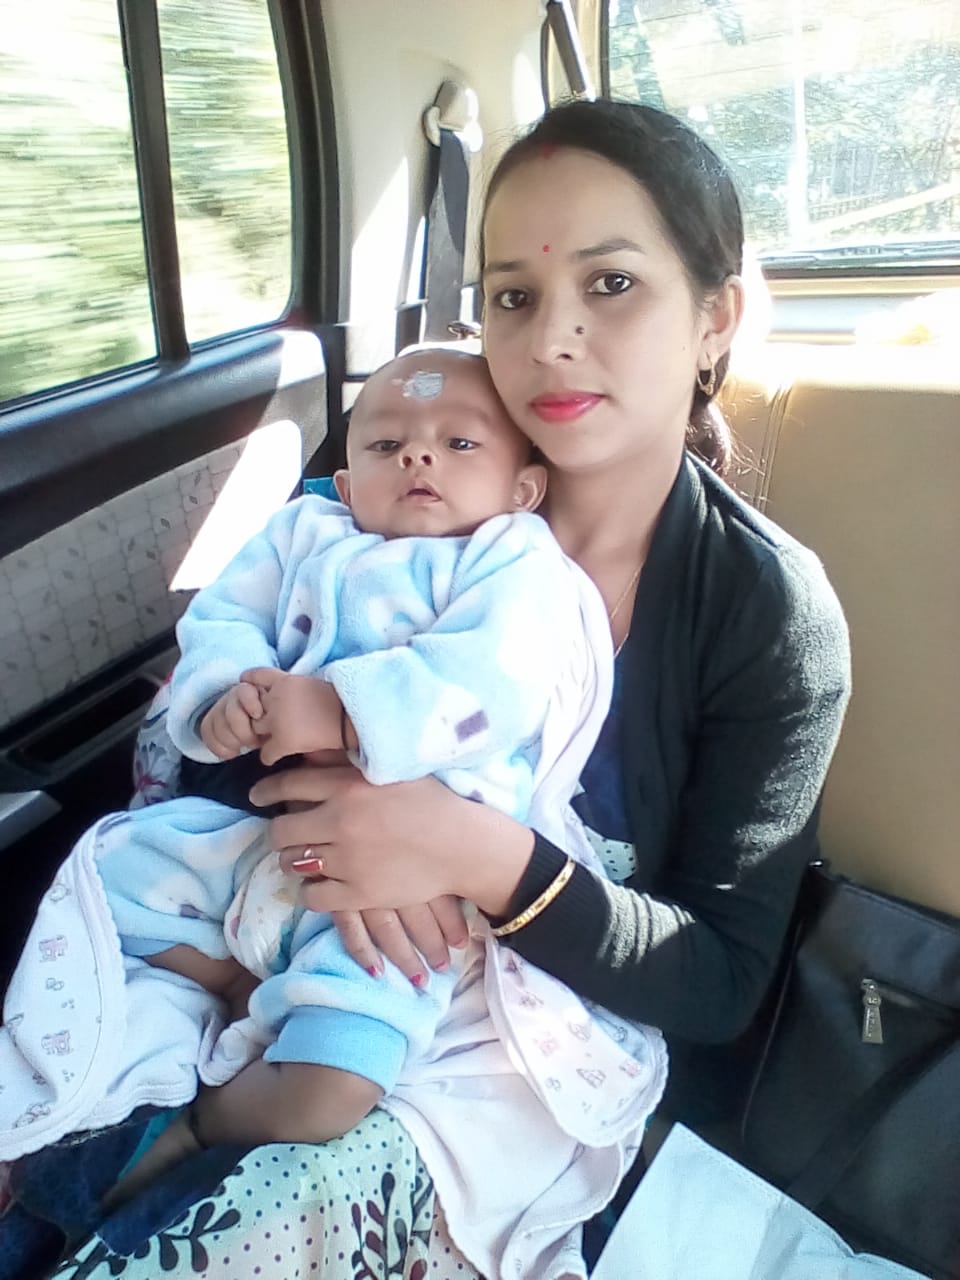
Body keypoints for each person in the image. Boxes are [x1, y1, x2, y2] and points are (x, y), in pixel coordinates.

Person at [6, 98, 850, 1280]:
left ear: (716, 318)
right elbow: (215, 699)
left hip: (504, 1047)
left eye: (611, 285)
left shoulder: (768, 616)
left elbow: (718, 982)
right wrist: (276, 870)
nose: (552, 340)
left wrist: (473, 852)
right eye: (514, 295)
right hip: (245, 929)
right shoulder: (379, 495)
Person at [0, 346, 665, 1280]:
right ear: (346, 481)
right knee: (109, 892)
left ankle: (200, 1126)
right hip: (255, 833)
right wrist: (226, 694)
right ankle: (225, 989)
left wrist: (344, 712)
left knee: (334, 1087)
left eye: (458, 443)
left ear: (523, 487)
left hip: (406, 881)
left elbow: (499, 677)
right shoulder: (304, 532)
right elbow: (222, 619)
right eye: (387, 444)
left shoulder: (513, 560)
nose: (419, 456)